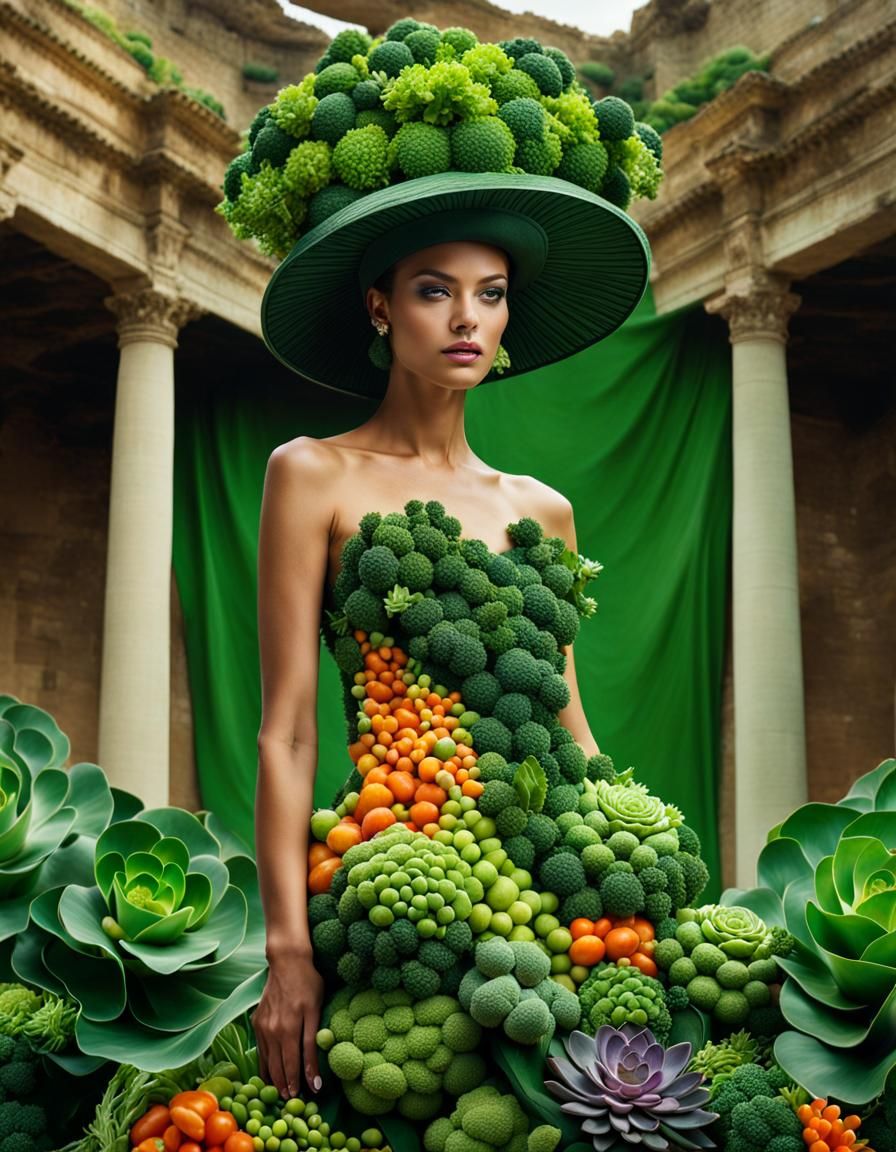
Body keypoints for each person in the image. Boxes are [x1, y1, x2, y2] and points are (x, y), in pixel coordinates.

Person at [227, 25, 657, 1113]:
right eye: (433, 289)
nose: (467, 318)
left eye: (491, 291)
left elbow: (566, 720)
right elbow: (283, 727)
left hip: (555, 895)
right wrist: (288, 948)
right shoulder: (310, 476)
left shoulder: (541, 511)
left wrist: (630, 858)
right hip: (398, 880)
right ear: (379, 306)